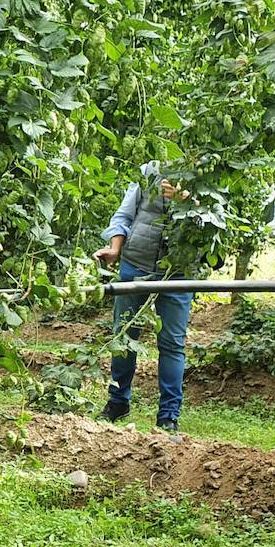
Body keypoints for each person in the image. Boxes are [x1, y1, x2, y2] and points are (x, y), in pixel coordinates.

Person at [92, 161, 195, 434]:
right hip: (135, 264)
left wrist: (187, 201)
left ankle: (169, 416)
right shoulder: (149, 170)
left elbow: (214, 229)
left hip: (179, 271)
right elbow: (124, 215)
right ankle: (117, 402)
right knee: (124, 334)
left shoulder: (209, 175)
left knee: (172, 343)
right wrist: (115, 249)